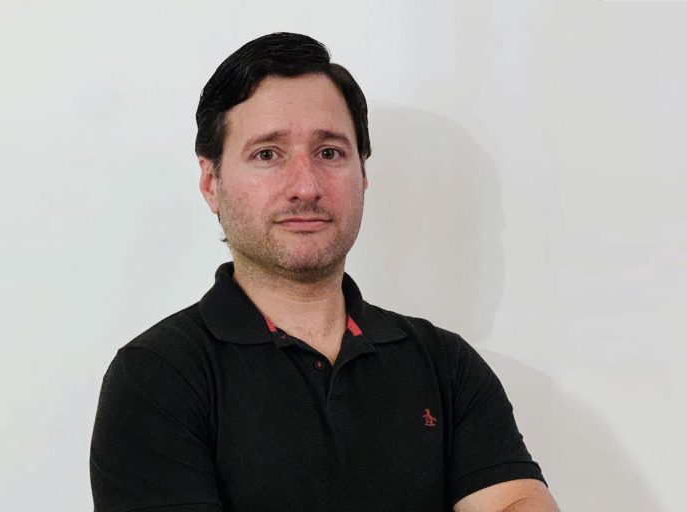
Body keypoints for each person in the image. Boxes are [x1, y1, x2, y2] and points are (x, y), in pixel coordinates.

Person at [90, 32, 559, 512]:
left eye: (329, 152)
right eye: (267, 154)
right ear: (212, 183)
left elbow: (517, 502)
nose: (306, 187)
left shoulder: (445, 365)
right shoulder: (158, 376)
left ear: (363, 175)